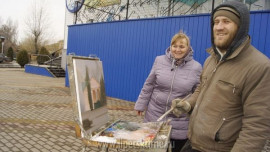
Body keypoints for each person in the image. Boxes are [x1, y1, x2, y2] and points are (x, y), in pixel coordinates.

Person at [172, 1, 270, 152]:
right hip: (192, 144)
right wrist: (188, 104)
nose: (219, 27)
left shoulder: (259, 66)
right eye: (216, 22)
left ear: (240, 26)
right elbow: (201, 89)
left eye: (226, 21)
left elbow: (256, 126)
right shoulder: (211, 59)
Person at [134, 31, 202, 152]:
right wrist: (140, 104)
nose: (177, 49)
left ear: (188, 48)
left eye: (182, 46)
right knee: (154, 148)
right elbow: (149, 84)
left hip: (179, 120)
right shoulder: (159, 60)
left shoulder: (196, 67)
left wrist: (188, 106)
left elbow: (198, 92)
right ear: (170, 47)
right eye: (174, 46)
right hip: (155, 115)